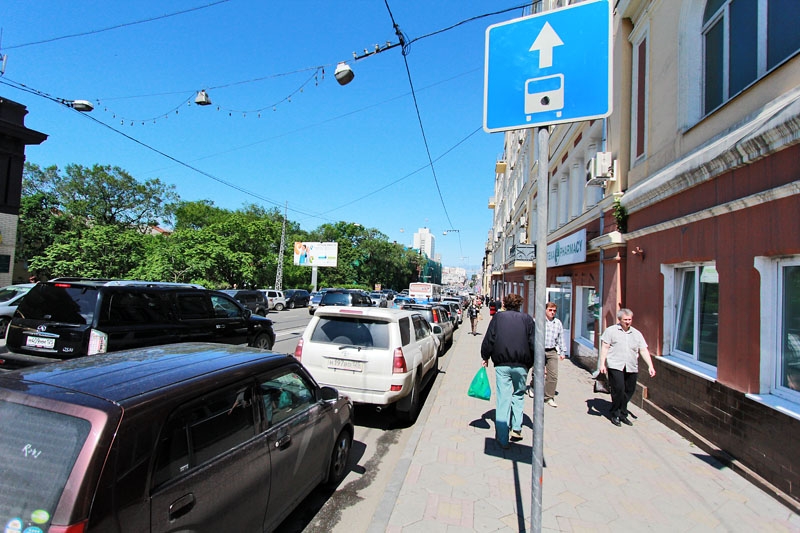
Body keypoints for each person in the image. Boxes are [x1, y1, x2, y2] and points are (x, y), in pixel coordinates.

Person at [480, 294, 535, 449]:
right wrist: (535, 363)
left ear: (504, 304)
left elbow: (489, 338)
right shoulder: (527, 319)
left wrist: (485, 356)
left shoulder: (498, 318)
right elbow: (533, 343)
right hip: (522, 365)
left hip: (502, 364)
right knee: (518, 394)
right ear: (519, 305)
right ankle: (516, 428)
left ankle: (503, 438)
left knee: (503, 398)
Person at [598, 308, 656, 427]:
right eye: (625, 320)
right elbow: (605, 347)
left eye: (629, 319)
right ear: (619, 320)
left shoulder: (636, 333)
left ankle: (623, 413)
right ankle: (615, 413)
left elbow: (643, 350)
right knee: (618, 389)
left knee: (630, 390)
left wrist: (650, 366)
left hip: (631, 366)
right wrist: (602, 364)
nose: (628, 322)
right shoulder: (611, 331)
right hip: (615, 365)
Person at [527, 302, 566, 406]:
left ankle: (548, 397)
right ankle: (533, 387)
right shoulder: (538, 321)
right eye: (550, 310)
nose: (552, 312)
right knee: (537, 372)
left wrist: (563, 351)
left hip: (552, 351)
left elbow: (561, 338)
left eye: (554, 311)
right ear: (545, 310)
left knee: (553, 375)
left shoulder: (557, 323)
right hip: (539, 350)